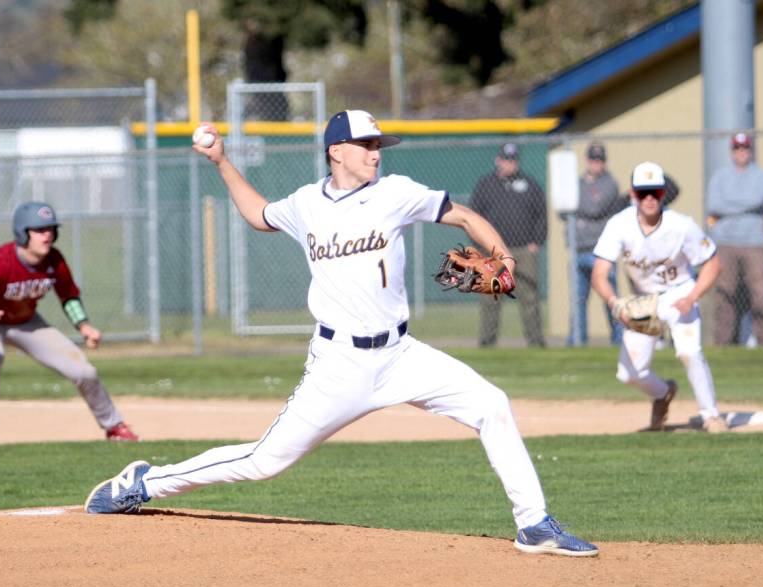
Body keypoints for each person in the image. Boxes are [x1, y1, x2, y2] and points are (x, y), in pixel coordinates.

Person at [84, 109, 598, 557]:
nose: (377, 153)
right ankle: (145, 482)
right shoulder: (307, 203)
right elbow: (259, 216)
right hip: (340, 365)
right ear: (337, 152)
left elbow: (463, 215)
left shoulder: (397, 193)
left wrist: (503, 257)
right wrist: (221, 162)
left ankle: (534, 525)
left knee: (491, 404)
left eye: (379, 145)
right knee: (265, 462)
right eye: (368, 145)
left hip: (401, 354)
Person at [0, 201, 139, 445]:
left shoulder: (54, 260)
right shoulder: (1, 260)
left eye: (50, 229)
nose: (47, 235)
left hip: (26, 322)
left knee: (84, 371)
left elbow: (68, 295)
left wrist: (83, 326)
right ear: (22, 233)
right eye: (39, 230)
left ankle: (114, 426)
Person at [591, 162, 727, 433]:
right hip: (643, 301)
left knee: (689, 351)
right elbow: (599, 274)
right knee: (629, 373)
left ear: (664, 193)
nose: (650, 198)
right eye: (643, 193)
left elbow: (712, 264)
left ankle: (711, 415)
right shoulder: (619, 225)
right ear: (633, 194)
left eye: (655, 192)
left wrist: (693, 296)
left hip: (680, 292)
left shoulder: (682, 226)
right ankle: (663, 392)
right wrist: (615, 303)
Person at [469, 142, 547, 347]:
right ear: (498, 160)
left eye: (513, 160)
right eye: (506, 159)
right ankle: (487, 343)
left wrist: (536, 242)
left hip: (523, 250)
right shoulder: (486, 185)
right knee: (491, 298)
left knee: (529, 298)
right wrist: (481, 246)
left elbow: (541, 214)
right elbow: (473, 217)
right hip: (494, 251)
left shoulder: (529, 184)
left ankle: (536, 342)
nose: (509, 164)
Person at [705, 132, 763, 347]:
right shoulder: (720, 176)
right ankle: (723, 344)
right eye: (737, 148)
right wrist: (743, 206)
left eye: (745, 148)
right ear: (731, 151)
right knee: (724, 295)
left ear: (751, 151)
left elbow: (757, 199)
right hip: (725, 242)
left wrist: (728, 207)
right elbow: (713, 205)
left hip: (754, 243)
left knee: (760, 295)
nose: (741, 152)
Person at [567, 141, 623, 346]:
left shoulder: (610, 183)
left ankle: (618, 340)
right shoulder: (577, 183)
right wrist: (574, 206)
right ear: (587, 160)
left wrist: (576, 208)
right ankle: (576, 341)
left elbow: (594, 208)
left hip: (601, 252)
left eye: (600, 160)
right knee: (578, 300)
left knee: (610, 298)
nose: (596, 164)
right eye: (593, 159)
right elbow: (563, 207)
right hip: (578, 248)